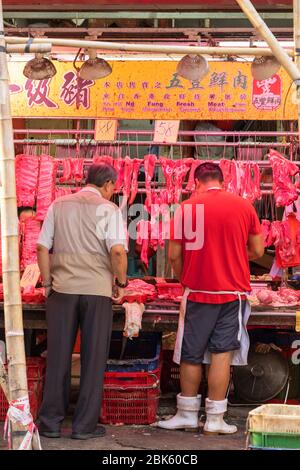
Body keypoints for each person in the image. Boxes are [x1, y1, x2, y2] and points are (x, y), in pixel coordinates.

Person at [158, 162, 264, 435]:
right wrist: (236, 257)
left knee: (191, 354)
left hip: (198, 293)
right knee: (221, 354)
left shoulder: (186, 208)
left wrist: (186, 278)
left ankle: (188, 415)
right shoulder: (243, 206)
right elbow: (258, 250)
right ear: (223, 181)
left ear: (196, 183)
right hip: (232, 294)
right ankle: (215, 420)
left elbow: (173, 255)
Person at [37, 163, 128, 440]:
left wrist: (48, 282)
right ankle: (84, 426)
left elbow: (42, 247)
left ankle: (50, 422)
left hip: (62, 291)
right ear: (109, 185)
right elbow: (117, 252)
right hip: (97, 292)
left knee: (58, 356)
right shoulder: (110, 210)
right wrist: (121, 284)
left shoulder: (58, 204)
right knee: (92, 359)